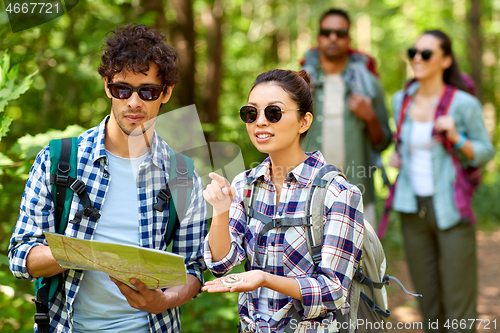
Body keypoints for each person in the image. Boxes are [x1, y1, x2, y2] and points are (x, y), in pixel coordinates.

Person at [8, 24, 207, 333]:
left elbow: (193, 268)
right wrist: (87, 253)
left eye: (148, 91)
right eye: (122, 89)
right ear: (107, 86)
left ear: (165, 92)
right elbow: (21, 255)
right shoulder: (57, 160)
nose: (133, 102)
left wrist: (162, 302)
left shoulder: (182, 175)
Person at [202, 69, 364, 332]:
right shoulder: (244, 185)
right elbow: (222, 264)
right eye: (251, 113)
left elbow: (333, 291)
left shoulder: (338, 193)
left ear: (304, 122)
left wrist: (265, 279)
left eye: (273, 113)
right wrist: (220, 210)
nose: (260, 122)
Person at [389, 30, 494, 333]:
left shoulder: (463, 104)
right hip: (412, 209)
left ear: (446, 60)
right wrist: (398, 158)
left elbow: (485, 152)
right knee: (426, 300)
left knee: (459, 300)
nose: (417, 59)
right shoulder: (401, 101)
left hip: (451, 209)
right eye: (413, 52)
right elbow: (402, 145)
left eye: (426, 53)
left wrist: (457, 137)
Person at [302, 8, 391, 223]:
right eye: (327, 32)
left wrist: (369, 117)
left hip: (357, 191)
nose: (333, 38)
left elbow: (383, 142)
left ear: (349, 39)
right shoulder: (300, 85)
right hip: (308, 193)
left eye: (340, 33)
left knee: (362, 257)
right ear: (319, 37)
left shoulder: (368, 84)